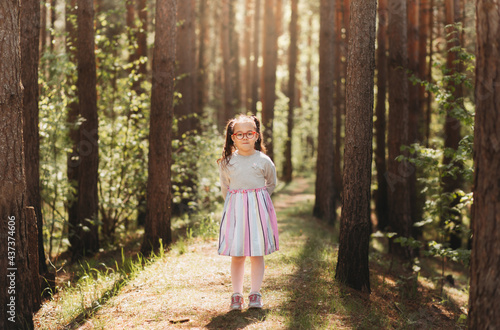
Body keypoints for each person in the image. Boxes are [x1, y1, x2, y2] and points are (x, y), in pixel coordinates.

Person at [217, 114, 279, 310]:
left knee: (256, 252)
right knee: (238, 254)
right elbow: (225, 188)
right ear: (232, 137)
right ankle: (236, 294)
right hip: (236, 211)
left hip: (257, 211)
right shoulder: (227, 162)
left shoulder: (263, 160)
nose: (245, 137)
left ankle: (255, 293)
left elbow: (271, 183)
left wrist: (257, 198)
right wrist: (239, 200)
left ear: (257, 136)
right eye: (240, 134)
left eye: (249, 133)